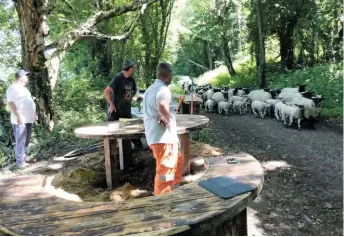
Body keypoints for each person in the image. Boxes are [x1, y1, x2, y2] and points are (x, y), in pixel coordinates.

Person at [143, 62, 183, 195]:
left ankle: (174, 188)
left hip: (156, 136)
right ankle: (163, 199)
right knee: (166, 169)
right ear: (169, 75)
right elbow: (161, 104)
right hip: (163, 137)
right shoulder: (163, 89)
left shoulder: (151, 88)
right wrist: (168, 122)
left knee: (178, 158)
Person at [104, 60, 143, 149]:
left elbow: (134, 90)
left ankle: (138, 148)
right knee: (111, 132)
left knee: (131, 130)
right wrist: (111, 104)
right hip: (115, 110)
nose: (134, 70)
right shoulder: (117, 78)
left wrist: (129, 98)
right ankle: (112, 150)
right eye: (133, 68)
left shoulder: (131, 79)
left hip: (126, 109)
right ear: (129, 68)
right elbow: (106, 92)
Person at [6, 69, 37, 168]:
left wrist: (34, 113)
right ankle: (20, 162)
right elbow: (11, 103)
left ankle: (24, 157)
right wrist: (18, 116)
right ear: (21, 77)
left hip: (28, 118)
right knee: (21, 140)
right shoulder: (13, 88)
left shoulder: (24, 89)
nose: (27, 78)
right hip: (20, 119)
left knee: (27, 140)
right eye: (26, 76)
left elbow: (29, 102)